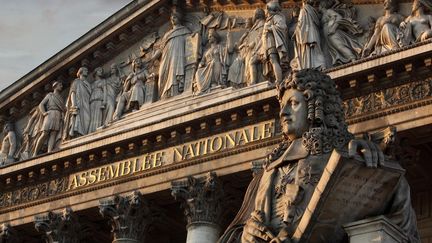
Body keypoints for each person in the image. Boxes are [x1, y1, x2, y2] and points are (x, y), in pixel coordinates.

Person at [218, 69, 420, 243]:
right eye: (282, 107)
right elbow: (235, 232)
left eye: (293, 103)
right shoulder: (267, 172)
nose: (283, 113)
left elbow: (399, 214)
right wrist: (246, 234)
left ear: (317, 105)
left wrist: (375, 166)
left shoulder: (348, 155)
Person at [153, 10, 191, 99]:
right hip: (166, 57)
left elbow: (191, 43)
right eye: (171, 18)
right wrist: (153, 58)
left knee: (175, 71)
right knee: (163, 73)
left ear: (179, 19)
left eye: (175, 17)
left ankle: (175, 91)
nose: (173, 19)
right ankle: (164, 94)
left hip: (178, 55)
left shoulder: (185, 31)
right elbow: (161, 49)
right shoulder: (167, 34)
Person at [319, 1, 363, 65]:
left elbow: (339, 17)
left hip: (332, 33)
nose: (318, 8)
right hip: (328, 35)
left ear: (322, 6)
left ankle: (353, 58)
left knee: (339, 46)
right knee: (337, 48)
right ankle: (346, 59)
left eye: (319, 6)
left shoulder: (328, 11)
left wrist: (333, 28)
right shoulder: (323, 15)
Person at [33, 81, 66, 156]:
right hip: (50, 114)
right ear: (55, 86)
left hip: (57, 114)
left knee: (53, 133)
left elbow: (63, 108)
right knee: (45, 133)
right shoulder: (50, 95)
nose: (61, 86)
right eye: (60, 85)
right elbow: (41, 104)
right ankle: (35, 152)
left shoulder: (61, 98)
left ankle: (49, 151)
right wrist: (44, 113)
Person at [291, 0, 325, 70]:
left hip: (307, 34)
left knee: (308, 51)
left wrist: (295, 33)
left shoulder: (304, 10)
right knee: (316, 50)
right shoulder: (313, 11)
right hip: (314, 33)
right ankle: (321, 65)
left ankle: (310, 66)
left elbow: (301, 23)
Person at [261, 1, 288, 84]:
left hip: (273, 43)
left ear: (269, 9)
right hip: (268, 43)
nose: (264, 12)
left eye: (265, 9)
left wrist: (270, 28)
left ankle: (279, 80)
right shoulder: (270, 19)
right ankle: (277, 78)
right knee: (272, 61)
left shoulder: (276, 17)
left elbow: (282, 26)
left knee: (273, 60)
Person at [194, 29, 227, 95]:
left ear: (215, 38)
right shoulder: (206, 51)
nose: (209, 38)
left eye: (210, 36)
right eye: (208, 36)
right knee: (198, 73)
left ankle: (214, 83)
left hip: (217, 64)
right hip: (208, 67)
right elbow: (202, 61)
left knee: (214, 63)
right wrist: (200, 64)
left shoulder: (219, 47)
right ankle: (202, 89)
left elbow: (225, 55)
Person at [63, 67, 92, 140]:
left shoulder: (87, 84)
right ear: (81, 72)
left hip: (87, 103)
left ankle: (84, 134)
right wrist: (73, 104)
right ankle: (78, 134)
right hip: (79, 103)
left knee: (87, 119)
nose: (87, 71)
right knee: (78, 119)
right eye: (85, 70)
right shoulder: (76, 82)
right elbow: (73, 92)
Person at [89, 67, 107, 133]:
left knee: (98, 115)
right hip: (92, 101)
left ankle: (97, 129)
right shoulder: (92, 84)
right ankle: (91, 131)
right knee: (92, 117)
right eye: (99, 70)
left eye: (101, 71)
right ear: (95, 72)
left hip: (99, 100)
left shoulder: (103, 81)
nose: (101, 72)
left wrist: (104, 101)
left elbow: (105, 91)